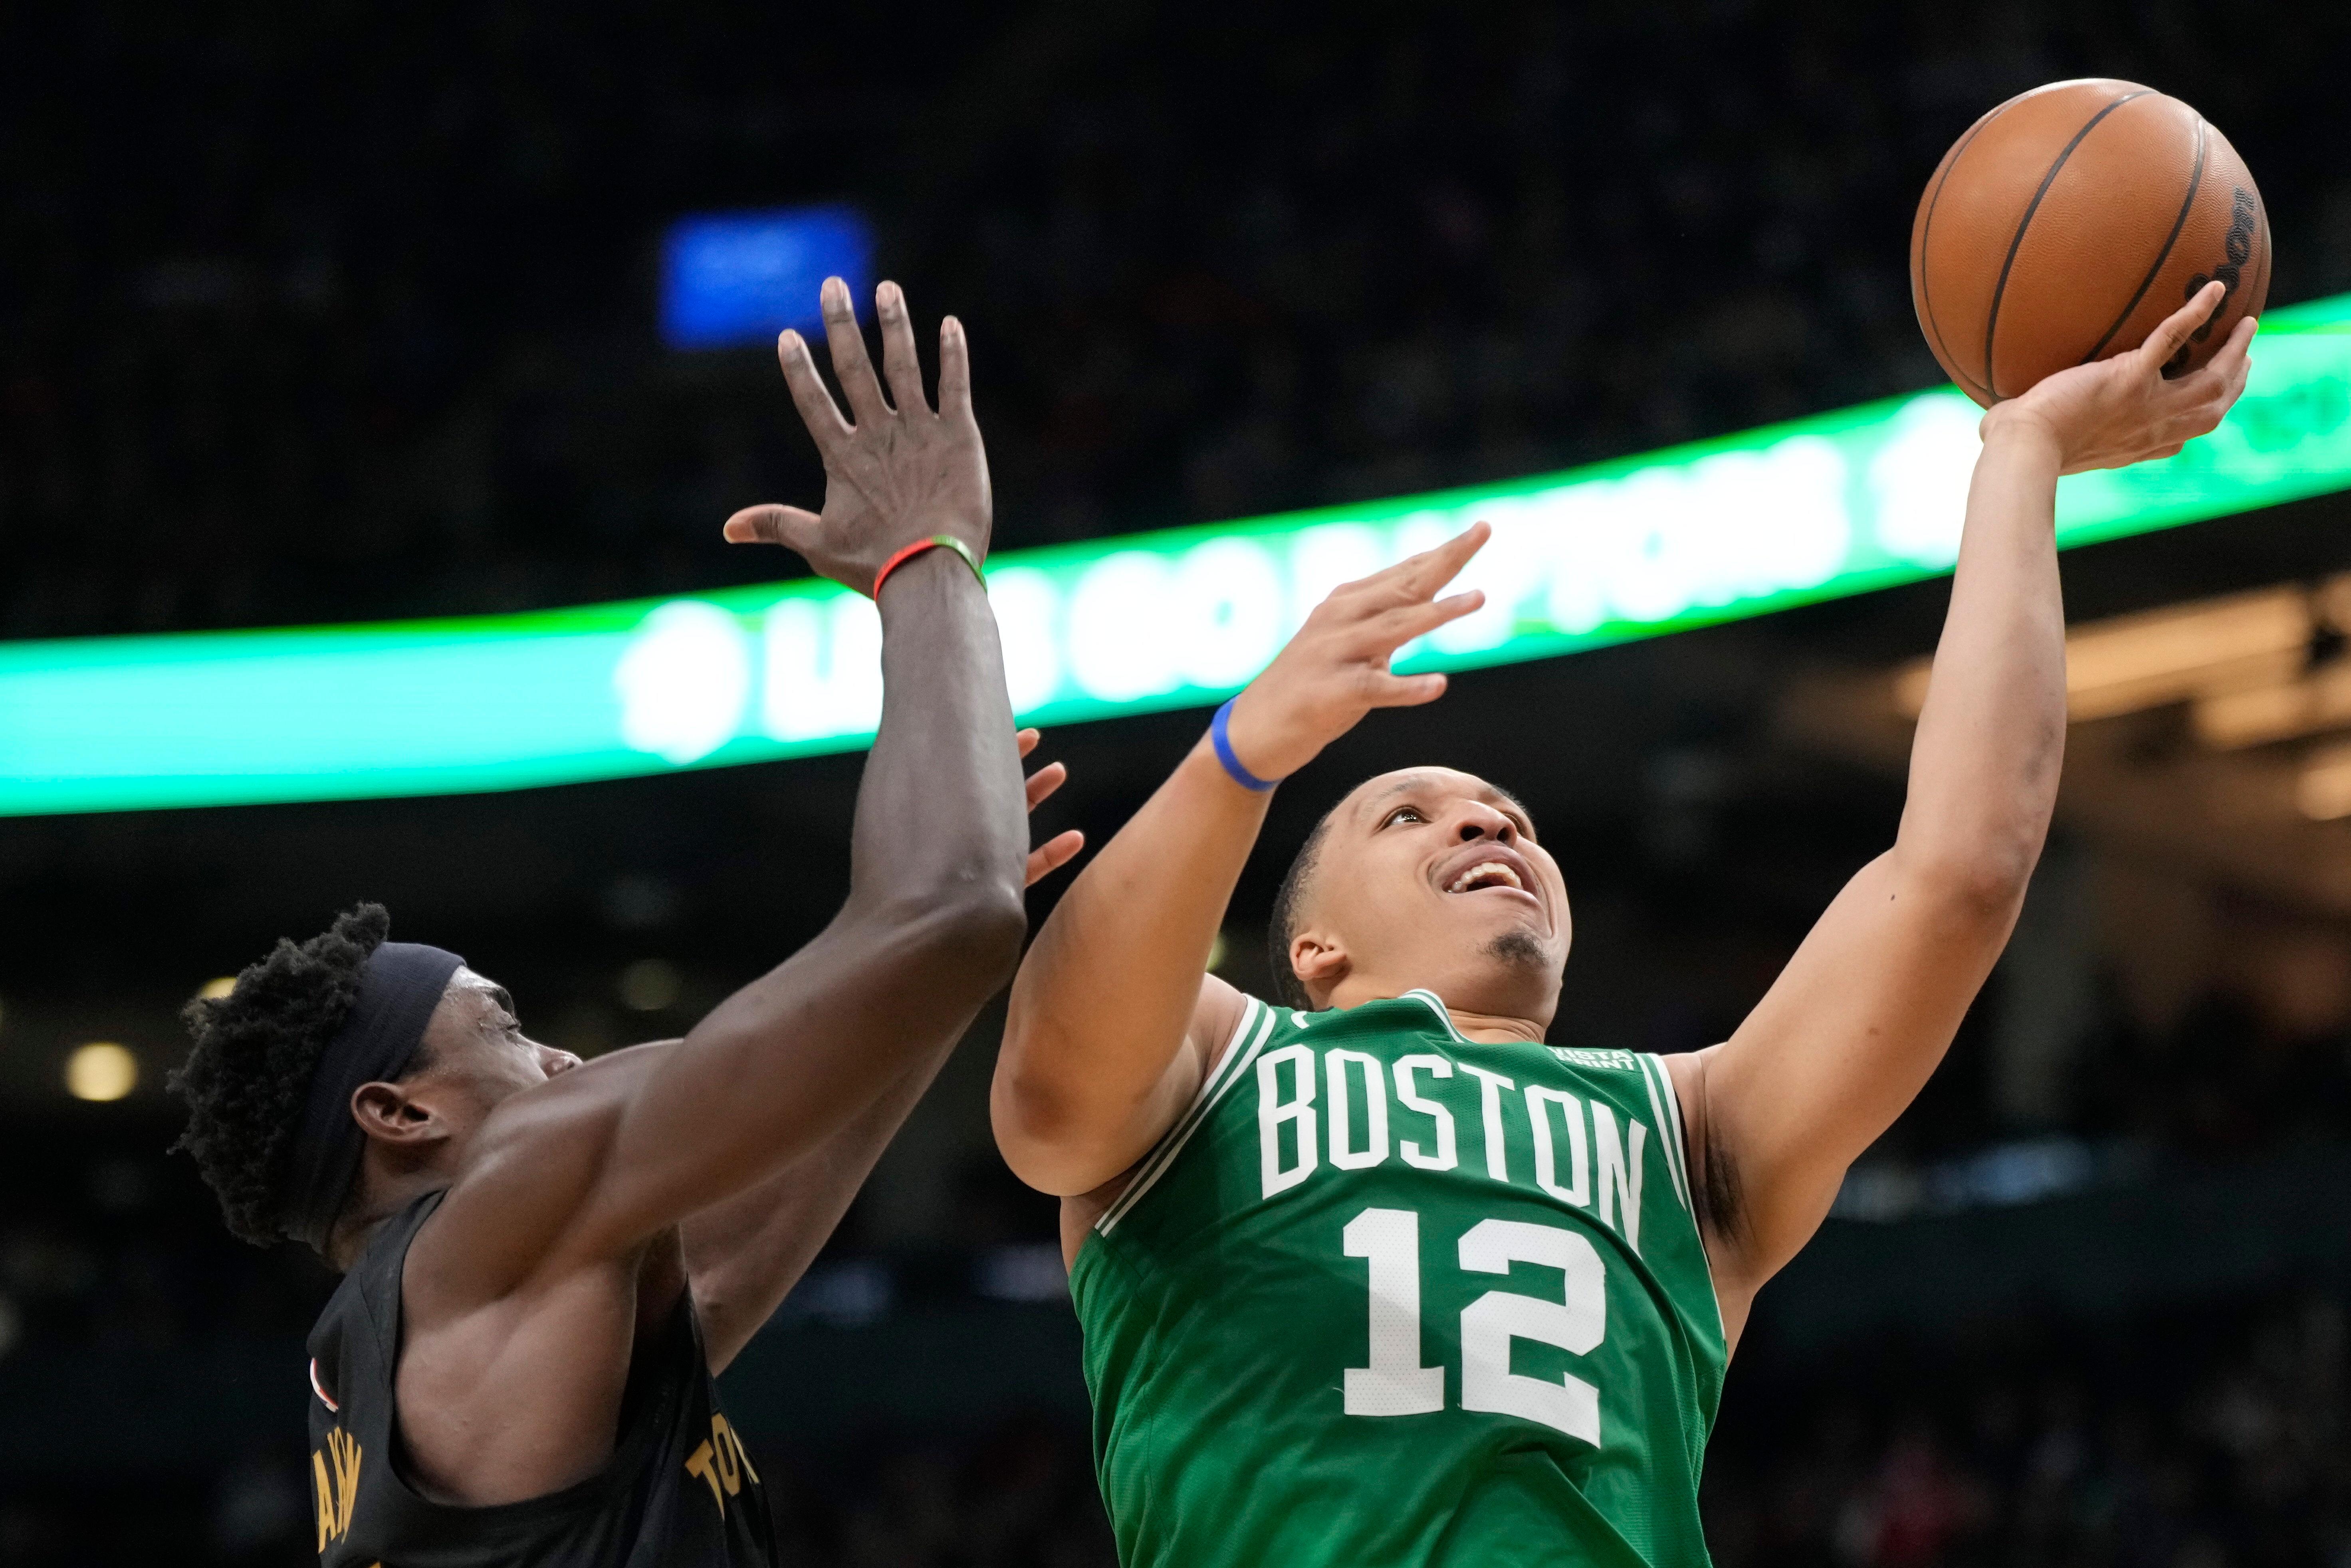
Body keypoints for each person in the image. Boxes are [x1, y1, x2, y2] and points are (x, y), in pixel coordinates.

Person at [991, 285, 2255, 1566]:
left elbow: (1962, 872)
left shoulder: (1692, 1133)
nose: (1490, 826)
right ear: (1314, 953)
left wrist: (2021, 462)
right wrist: (1242, 755)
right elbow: (1049, 1092)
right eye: (1409, 816)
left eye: (1509, 818)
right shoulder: (1221, 1071)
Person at [170, 277, 1082, 1566]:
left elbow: (717, 1279)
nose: (560, 1064)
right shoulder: (505, 1200)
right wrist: (924, 560)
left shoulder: (391, 1351)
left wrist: (921, 994)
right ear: (401, 1112)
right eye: (509, 1027)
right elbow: (948, 909)